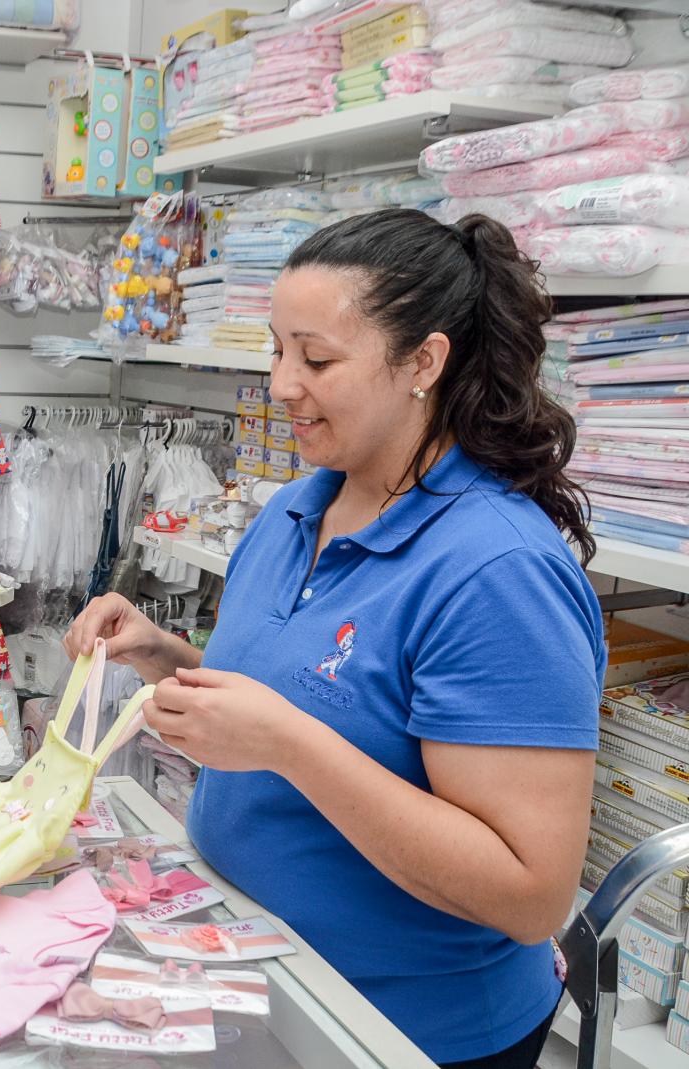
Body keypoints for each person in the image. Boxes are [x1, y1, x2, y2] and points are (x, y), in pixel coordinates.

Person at [67, 209, 602, 1069]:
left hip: (406, 1032)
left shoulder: (498, 572)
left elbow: (531, 893)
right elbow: (333, 699)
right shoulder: (297, 508)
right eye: (277, 350)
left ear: (424, 362)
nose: (282, 383)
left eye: (315, 359)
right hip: (266, 971)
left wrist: (287, 746)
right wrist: (164, 655)